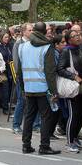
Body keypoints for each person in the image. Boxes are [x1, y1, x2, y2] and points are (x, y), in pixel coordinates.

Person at [17, 22, 59, 155]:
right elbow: (50, 72)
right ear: (45, 32)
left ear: (34, 30)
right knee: (46, 117)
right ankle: (44, 146)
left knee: (29, 116)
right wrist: (54, 91)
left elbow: (19, 70)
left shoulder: (22, 47)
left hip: (29, 87)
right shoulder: (47, 47)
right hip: (43, 87)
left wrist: (23, 88)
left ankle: (26, 145)